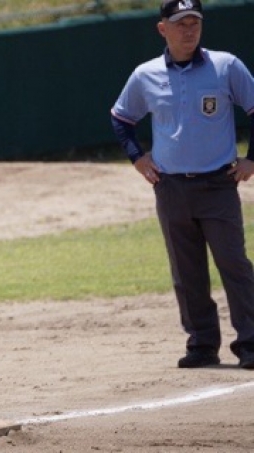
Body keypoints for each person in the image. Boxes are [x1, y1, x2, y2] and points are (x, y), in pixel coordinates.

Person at [110, 0, 254, 369]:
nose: (189, 30)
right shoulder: (146, 74)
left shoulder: (226, 66)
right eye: (180, 24)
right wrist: (137, 157)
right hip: (171, 187)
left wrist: (251, 158)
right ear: (163, 29)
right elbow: (121, 117)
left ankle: (251, 342)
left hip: (218, 183)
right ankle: (202, 343)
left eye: (195, 23)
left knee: (233, 263)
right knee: (186, 270)